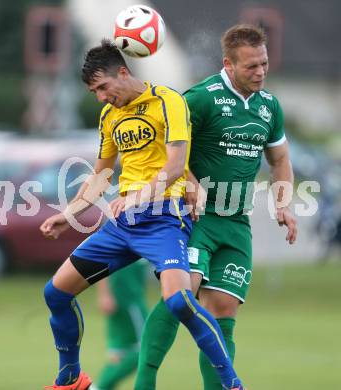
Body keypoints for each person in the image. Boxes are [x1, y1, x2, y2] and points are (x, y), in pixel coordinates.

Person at [40, 39, 246, 390]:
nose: (101, 96)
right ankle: (70, 378)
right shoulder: (109, 116)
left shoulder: (169, 101)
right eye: (94, 92)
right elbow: (101, 175)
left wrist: (136, 196)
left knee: (179, 301)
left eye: (103, 87)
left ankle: (231, 383)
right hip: (124, 224)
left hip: (166, 219)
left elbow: (176, 166)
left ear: (123, 72)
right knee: (56, 293)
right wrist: (69, 213)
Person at [135, 24, 297, 390]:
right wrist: (190, 183)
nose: (260, 72)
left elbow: (281, 158)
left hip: (237, 224)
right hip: (196, 219)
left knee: (223, 308)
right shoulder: (201, 98)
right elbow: (167, 148)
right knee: (182, 296)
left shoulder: (269, 107)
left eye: (264, 64)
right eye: (251, 66)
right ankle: (144, 382)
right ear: (228, 63)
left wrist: (284, 204)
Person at [92, 260, 148, 390]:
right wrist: (104, 294)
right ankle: (98, 387)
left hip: (131, 299)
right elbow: (101, 260)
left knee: (118, 356)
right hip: (128, 301)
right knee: (146, 349)